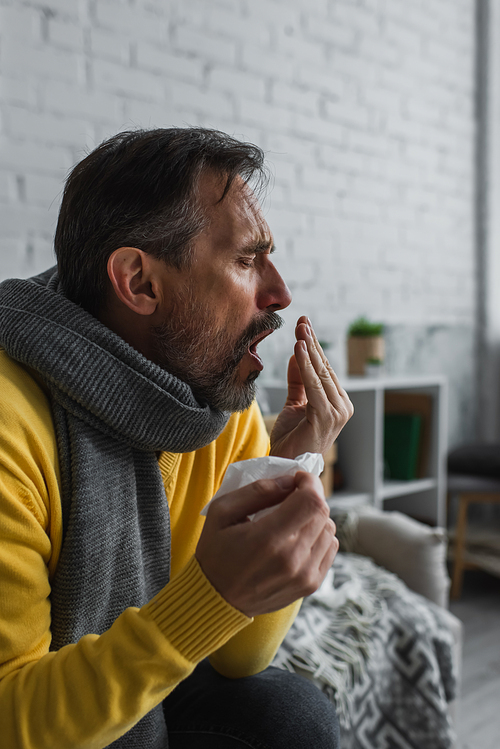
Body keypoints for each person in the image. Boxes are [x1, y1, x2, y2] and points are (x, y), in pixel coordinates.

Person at [0, 128, 353, 748]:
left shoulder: (209, 393)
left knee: (294, 714)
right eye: (247, 260)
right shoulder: (11, 426)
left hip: (128, 669)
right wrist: (207, 596)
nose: (279, 293)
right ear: (139, 283)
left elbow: (239, 660)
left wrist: (289, 467)